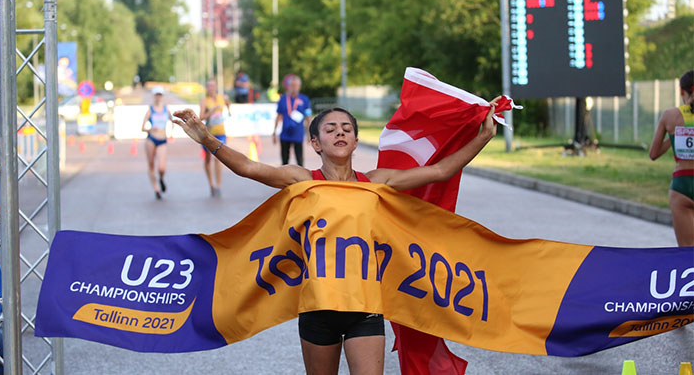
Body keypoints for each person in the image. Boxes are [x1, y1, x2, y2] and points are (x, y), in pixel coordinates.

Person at [173, 97, 500, 374]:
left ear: (356, 141)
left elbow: (441, 171)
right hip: (317, 310)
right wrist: (206, 138)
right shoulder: (301, 179)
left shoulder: (377, 181)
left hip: (366, 308)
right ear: (315, 143)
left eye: (347, 129)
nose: (340, 132)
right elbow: (248, 167)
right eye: (330, 129)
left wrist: (483, 136)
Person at [650, 70, 694, 247]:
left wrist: (673, 136)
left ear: (681, 91)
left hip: (681, 186)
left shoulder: (670, 116)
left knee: (686, 252)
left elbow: (653, 154)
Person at [200, 78, 232, 197]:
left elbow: (228, 103)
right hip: (208, 134)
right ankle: (211, 184)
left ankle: (218, 185)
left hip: (220, 133)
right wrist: (211, 112)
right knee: (208, 159)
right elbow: (201, 117)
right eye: (209, 86)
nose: (211, 88)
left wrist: (229, 111)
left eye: (213, 86)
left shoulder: (222, 98)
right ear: (207, 88)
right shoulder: (204, 101)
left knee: (219, 158)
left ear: (216, 87)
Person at [141, 86, 172, 200]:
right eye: (156, 95)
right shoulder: (150, 110)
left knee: (161, 167)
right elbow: (143, 127)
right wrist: (150, 129)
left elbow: (172, 120)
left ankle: (161, 178)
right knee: (151, 165)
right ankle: (156, 189)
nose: (158, 97)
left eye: (160, 94)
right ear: (154, 96)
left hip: (162, 139)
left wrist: (171, 131)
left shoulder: (166, 109)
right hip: (151, 139)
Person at [273, 75, 312, 166]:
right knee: (284, 160)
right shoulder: (283, 99)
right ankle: (284, 178)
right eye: (292, 85)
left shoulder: (304, 99)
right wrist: (274, 132)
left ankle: (302, 178)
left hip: (298, 133)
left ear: (299, 86)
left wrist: (309, 133)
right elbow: (278, 116)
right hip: (285, 134)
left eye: (296, 85)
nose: (294, 88)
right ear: (288, 86)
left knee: (300, 160)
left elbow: (308, 118)